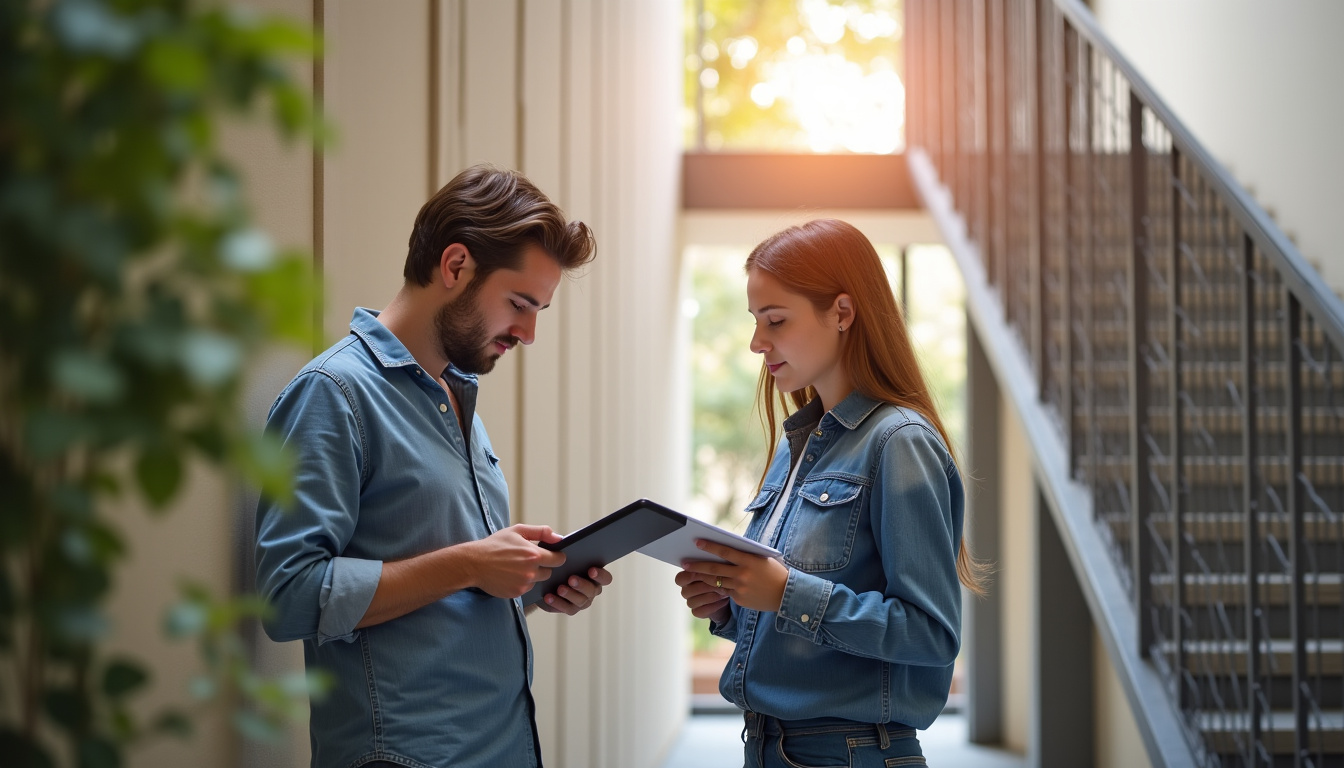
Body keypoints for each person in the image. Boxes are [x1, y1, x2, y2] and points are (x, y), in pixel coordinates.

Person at [254, 164, 608, 768]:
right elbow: (288, 595)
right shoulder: (334, 394)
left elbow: (434, 597)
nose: (527, 332)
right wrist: (471, 561)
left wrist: (524, 581)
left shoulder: (455, 393)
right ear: (454, 266)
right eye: (521, 304)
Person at [676, 219, 986, 768]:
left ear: (842, 313)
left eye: (775, 320)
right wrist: (731, 607)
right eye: (755, 321)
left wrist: (784, 594)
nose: (756, 342)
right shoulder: (796, 447)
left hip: (852, 754)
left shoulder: (899, 443)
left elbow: (931, 634)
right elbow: (804, 622)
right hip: (770, 747)